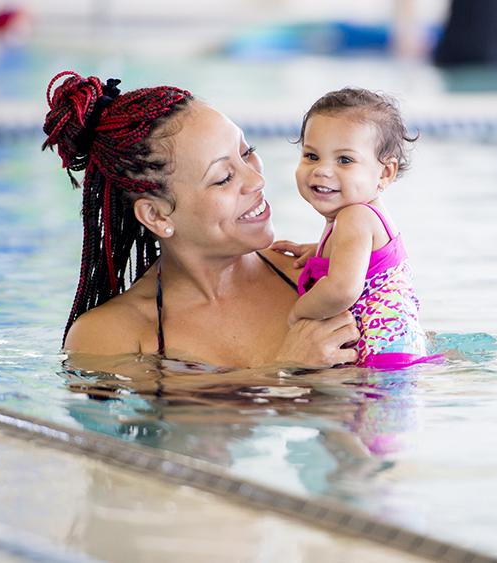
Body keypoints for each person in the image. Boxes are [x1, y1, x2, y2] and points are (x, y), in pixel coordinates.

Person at [42, 71, 360, 372]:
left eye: (247, 152)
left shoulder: (327, 278)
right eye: (223, 178)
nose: (257, 180)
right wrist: (286, 370)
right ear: (157, 215)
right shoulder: (112, 336)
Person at [270, 88, 433, 368]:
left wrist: (296, 314)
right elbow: (364, 259)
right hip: (397, 352)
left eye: (344, 160)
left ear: (385, 173)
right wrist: (319, 251)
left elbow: (341, 290)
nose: (322, 170)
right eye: (311, 156)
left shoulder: (354, 217)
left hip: (380, 362)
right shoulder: (363, 217)